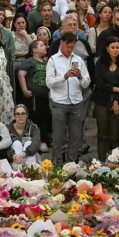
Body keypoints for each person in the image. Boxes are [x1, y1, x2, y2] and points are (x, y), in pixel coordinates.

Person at [46, 32, 91, 163]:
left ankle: (71, 164)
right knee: (58, 136)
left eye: (72, 47)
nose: (70, 49)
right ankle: (57, 164)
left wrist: (80, 76)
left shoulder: (79, 60)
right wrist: (64, 77)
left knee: (76, 136)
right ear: (61, 43)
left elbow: (87, 82)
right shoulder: (53, 60)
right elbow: (49, 83)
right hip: (59, 102)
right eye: (68, 46)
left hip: (76, 102)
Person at [93, 37, 119, 161]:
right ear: (107, 48)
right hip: (102, 101)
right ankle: (101, 163)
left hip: (118, 102)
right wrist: (117, 89)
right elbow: (99, 84)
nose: (115, 50)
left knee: (116, 135)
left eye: (117, 47)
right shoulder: (100, 63)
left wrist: (116, 100)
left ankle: (115, 164)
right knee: (102, 135)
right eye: (113, 48)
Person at [18, 40, 51, 152]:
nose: (45, 46)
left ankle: (42, 141)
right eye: (41, 45)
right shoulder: (29, 61)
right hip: (32, 96)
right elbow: (21, 75)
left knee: (44, 119)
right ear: (34, 50)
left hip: (45, 96)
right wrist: (24, 89)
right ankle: (30, 142)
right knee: (33, 119)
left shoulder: (47, 63)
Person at [7, 104, 41, 168]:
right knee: (16, 143)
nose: (20, 116)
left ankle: (30, 171)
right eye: (17, 114)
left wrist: (23, 154)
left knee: (28, 143)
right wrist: (13, 156)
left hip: (30, 155)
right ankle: (17, 171)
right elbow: (6, 146)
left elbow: (36, 143)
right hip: (14, 158)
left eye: (23, 113)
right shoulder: (8, 128)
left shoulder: (34, 127)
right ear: (14, 116)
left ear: (27, 115)